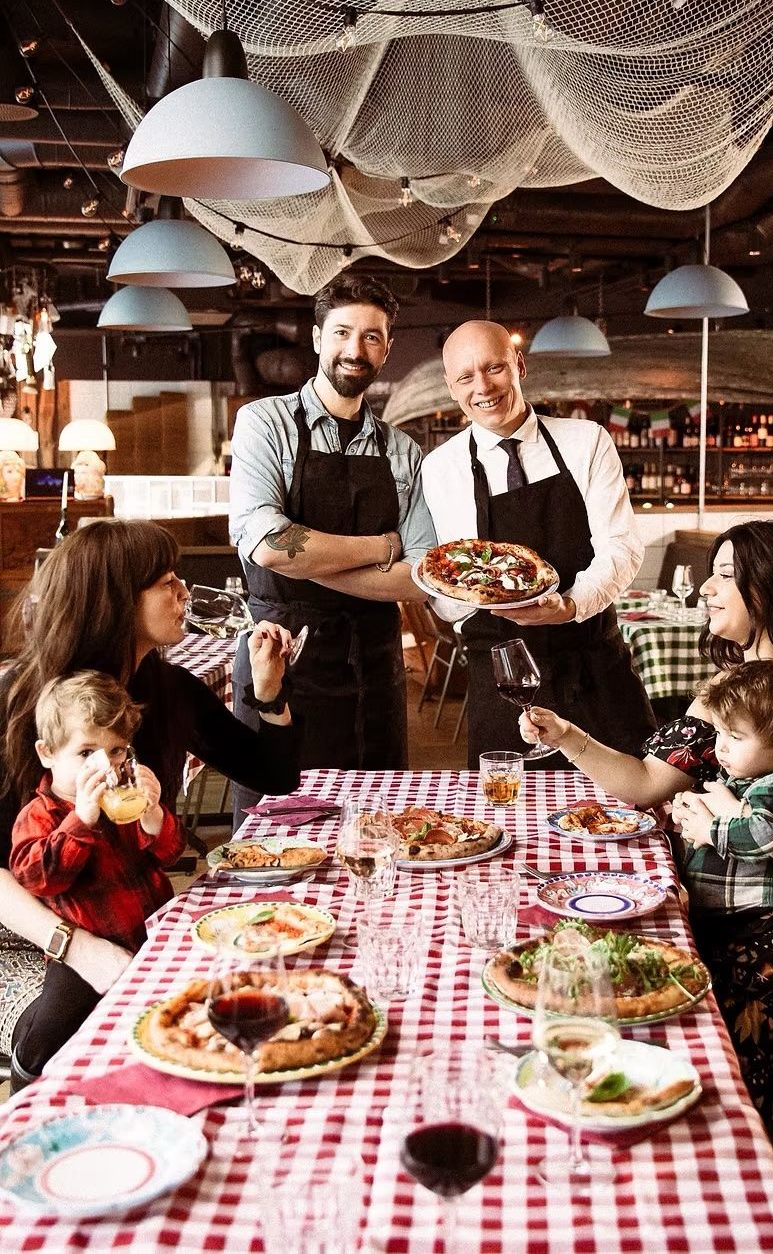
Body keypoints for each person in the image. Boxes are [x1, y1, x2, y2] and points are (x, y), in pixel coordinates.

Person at [520, 519, 773, 1250]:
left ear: (771, 586)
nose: (706, 585)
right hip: (759, 893)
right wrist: (566, 736)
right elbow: (644, 783)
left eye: (726, 573)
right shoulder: (732, 684)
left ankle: (767, 1199)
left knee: (689, 980)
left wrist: (726, 824)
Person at [0, 518, 302, 1090]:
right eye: (166, 580)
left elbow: (274, 774)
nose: (183, 591)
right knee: (80, 1029)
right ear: (115, 600)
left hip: (130, 911)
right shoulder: (23, 705)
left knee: (246, 986)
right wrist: (77, 948)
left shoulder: (166, 690)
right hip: (29, 932)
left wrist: (269, 690)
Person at [229, 272, 435, 820]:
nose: (355, 349)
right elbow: (272, 545)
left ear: (387, 348)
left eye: (372, 337)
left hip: (374, 667)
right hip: (281, 658)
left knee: (381, 827)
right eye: (342, 332)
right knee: (276, 829)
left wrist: (315, 562)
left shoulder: (404, 450)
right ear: (317, 337)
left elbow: (418, 576)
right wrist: (379, 545)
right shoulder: (264, 422)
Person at [421, 320, 654, 767]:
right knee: (513, 816)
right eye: (466, 377)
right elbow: (447, 576)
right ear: (451, 387)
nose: (483, 387)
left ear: (519, 365)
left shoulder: (586, 441)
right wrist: (461, 601)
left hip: (591, 663)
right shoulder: (439, 468)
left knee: (634, 806)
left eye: (495, 368)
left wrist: (568, 605)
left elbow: (622, 547)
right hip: (502, 678)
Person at [10, 672, 185, 1048]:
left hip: (149, 934)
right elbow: (39, 878)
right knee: (58, 1028)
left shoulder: (121, 804)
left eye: (117, 751)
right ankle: (31, 1069)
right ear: (47, 753)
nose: (105, 767)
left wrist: (154, 816)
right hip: (84, 953)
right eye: (86, 752)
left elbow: (169, 853)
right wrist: (81, 821)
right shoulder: (39, 815)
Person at [670, 659, 773, 915]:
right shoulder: (737, 776)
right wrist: (687, 810)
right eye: (719, 733)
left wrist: (708, 829)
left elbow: (765, 834)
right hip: (708, 906)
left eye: (735, 737)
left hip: (753, 916)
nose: (722, 747)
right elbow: (714, 812)